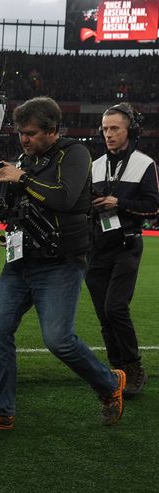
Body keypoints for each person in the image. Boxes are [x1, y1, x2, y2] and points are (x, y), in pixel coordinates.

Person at [0, 97, 126, 432]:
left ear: (53, 130)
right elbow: (14, 203)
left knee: (58, 339)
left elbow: (64, 198)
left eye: (32, 133)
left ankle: (109, 383)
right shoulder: (27, 158)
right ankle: (1, 410)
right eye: (22, 133)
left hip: (61, 262)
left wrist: (21, 178)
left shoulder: (75, 154)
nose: (24, 139)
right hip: (21, 260)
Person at [86, 103, 159, 396]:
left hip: (127, 245)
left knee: (115, 307)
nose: (108, 134)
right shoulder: (95, 165)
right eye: (105, 128)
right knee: (104, 315)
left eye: (115, 128)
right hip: (97, 247)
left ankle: (133, 366)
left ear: (131, 131)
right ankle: (117, 369)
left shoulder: (145, 164)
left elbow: (153, 206)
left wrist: (119, 203)